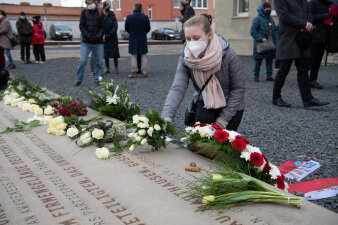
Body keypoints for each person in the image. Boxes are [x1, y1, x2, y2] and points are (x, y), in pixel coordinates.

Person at [162, 15, 245, 131]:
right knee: (201, 143)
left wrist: (222, 120)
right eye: (188, 38)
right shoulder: (186, 57)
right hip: (205, 103)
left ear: (209, 35)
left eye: (196, 38)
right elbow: (177, 88)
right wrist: (166, 117)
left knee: (223, 143)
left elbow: (238, 89)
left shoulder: (228, 55)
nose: (191, 43)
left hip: (230, 106)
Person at [272, 0, 329, 108]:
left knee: (303, 70)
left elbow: (309, 13)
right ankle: (276, 97)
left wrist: (308, 24)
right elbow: (284, 16)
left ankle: (308, 100)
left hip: (303, 38)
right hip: (288, 38)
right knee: (284, 69)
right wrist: (304, 24)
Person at [75, 0, 104, 86]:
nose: (89, 4)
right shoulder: (84, 12)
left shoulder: (100, 12)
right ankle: (78, 79)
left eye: (91, 2)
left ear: (95, 2)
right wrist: (87, 35)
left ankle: (98, 79)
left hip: (98, 42)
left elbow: (103, 26)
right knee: (82, 61)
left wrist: (98, 36)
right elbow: (81, 25)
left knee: (99, 62)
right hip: (86, 42)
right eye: (88, 3)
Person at [309, 0, 335, 89]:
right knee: (312, 59)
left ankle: (313, 79)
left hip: (326, 36)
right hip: (315, 35)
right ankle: (309, 80)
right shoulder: (313, 3)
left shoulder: (330, 4)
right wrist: (324, 16)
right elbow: (309, 17)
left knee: (318, 60)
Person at [250, 2, 278, 82]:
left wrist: (276, 40)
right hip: (260, 44)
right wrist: (260, 38)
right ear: (262, 9)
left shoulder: (271, 19)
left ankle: (269, 76)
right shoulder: (257, 19)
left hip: (270, 43)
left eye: (269, 8)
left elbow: (275, 30)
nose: (268, 10)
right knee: (258, 61)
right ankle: (256, 76)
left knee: (269, 60)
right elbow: (253, 31)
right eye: (266, 8)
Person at [125, 3, 151, 78]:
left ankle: (134, 72)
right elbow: (148, 28)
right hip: (142, 38)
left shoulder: (129, 17)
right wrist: (143, 33)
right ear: (141, 8)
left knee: (133, 55)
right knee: (143, 55)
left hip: (133, 38)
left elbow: (126, 28)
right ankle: (144, 72)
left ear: (134, 7)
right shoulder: (145, 17)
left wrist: (132, 33)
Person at [102, 1, 120, 74]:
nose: (107, 7)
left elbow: (115, 26)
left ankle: (116, 68)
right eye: (106, 6)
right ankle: (107, 68)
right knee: (106, 54)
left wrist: (110, 34)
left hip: (112, 37)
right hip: (105, 38)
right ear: (104, 7)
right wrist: (104, 35)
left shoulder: (112, 15)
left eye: (108, 6)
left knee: (115, 53)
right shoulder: (102, 16)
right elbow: (100, 26)